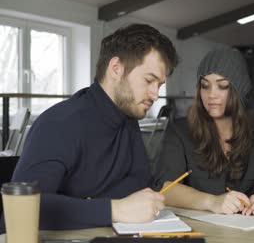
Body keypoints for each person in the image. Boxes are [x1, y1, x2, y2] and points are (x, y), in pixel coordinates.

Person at [0, 24, 179, 232]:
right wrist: (115, 209)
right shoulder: (59, 123)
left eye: (159, 85)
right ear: (116, 69)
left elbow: (139, 185)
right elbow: (22, 210)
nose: (155, 94)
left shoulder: (128, 119)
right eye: (149, 80)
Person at [153, 47, 254, 216]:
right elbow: (164, 189)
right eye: (205, 86)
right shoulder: (179, 131)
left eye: (222, 86)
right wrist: (212, 202)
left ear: (240, 91)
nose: (211, 95)